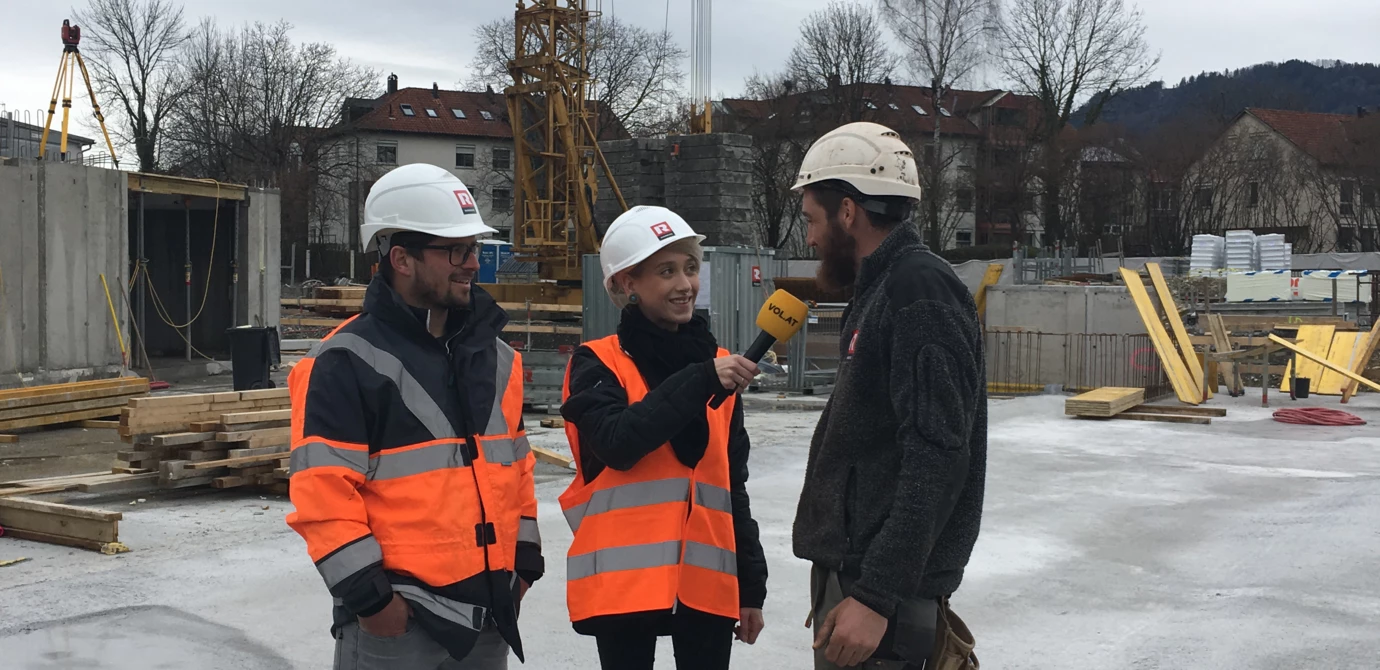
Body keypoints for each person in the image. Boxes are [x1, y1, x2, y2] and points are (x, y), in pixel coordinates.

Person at [286, 163, 544, 670]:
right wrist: (376, 605)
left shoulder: (496, 357)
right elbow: (322, 495)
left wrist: (524, 566)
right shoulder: (344, 361)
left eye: (473, 248)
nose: (472, 263)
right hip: (401, 624)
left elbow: (518, 468)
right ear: (401, 258)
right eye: (456, 251)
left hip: (488, 615)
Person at [791, 122, 987, 670]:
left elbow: (938, 455)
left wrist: (876, 595)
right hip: (866, 581)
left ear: (848, 212)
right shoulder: (883, 288)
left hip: (885, 600)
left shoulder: (918, 291)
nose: (808, 238)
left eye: (811, 219)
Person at [557, 205, 769, 670]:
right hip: (624, 586)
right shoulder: (598, 363)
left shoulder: (720, 365)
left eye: (691, 268)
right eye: (666, 271)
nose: (684, 284)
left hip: (707, 584)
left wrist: (750, 587)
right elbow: (617, 443)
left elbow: (732, 486)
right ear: (627, 283)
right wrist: (701, 379)